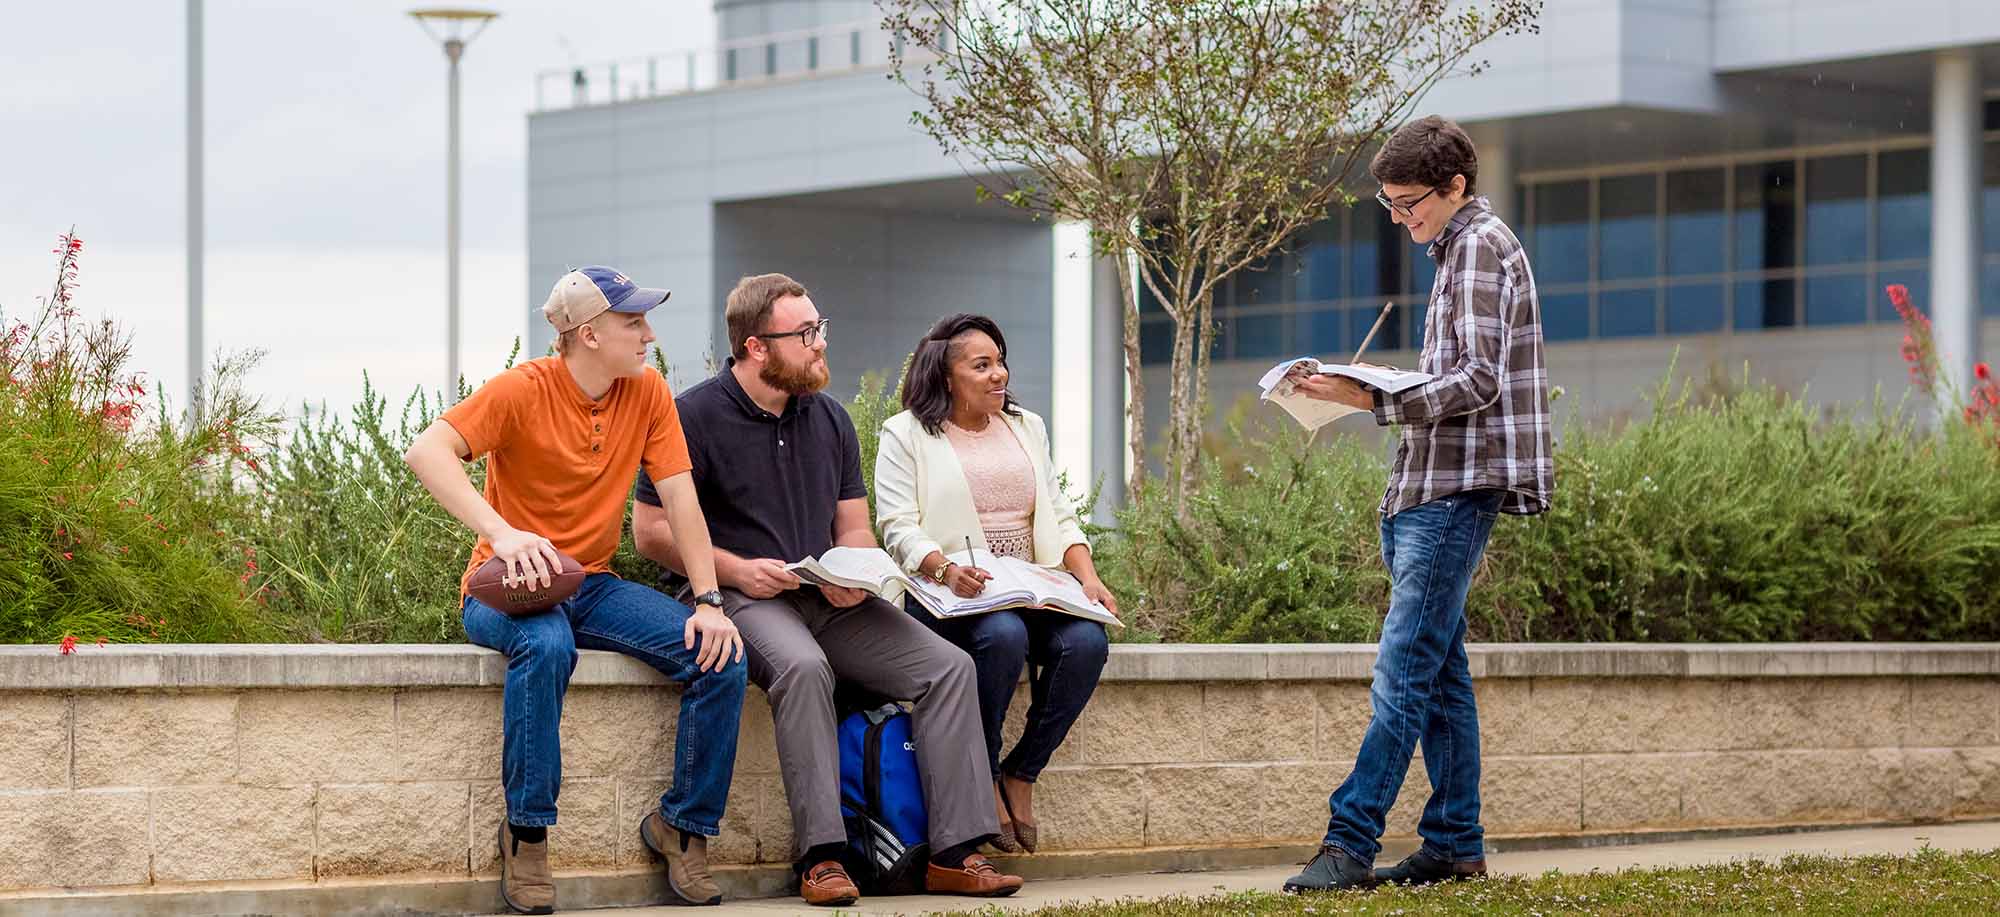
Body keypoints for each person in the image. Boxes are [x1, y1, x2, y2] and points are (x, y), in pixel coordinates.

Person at [630, 273, 1025, 906]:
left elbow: (854, 529)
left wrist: (856, 575)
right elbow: (650, 533)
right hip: (738, 599)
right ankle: (823, 856)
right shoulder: (692, 416)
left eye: (821, 329)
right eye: (806, 333)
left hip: (828, 599)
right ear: (758, 346)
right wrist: (736, 571)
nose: (820, 344)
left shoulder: (832, 418)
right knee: (804, 668)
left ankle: (955, 852)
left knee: (949, 667)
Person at [404, 266, 749, 913]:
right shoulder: (521, 389)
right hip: (506, 592)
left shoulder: (646, 394)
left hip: (591, 583)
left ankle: (684, 824)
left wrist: (710, 602)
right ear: (588, 334)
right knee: (546, 645)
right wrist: (501, 532)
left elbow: (681, 500)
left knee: (723, 655)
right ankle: (528, 836)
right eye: (633, 322)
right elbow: (427, 451)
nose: (648, 334)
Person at [1280, 116, 1554, 893]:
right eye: (1390, 205)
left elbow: (1476, 380)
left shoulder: (1475, 247)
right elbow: (1459, 374)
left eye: (1409, 203)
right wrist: (1362, 389)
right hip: (1432, 487)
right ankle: (1454, 844)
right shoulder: (1459, 249)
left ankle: (1349, 842)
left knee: (1401, 673)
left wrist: (1369, 394)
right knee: (1439, 677)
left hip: (1454, 490)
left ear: (1455, 185)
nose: (1401, 219)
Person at [872, 313, 1116, 854]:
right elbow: (896, 524)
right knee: (1002, 636)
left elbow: (1058, 510)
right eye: (981, 365)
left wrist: (1088, 579)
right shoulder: (905, 433)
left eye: (1000, 361)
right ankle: (978, 779)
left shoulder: (1026, 425)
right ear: (945, 375)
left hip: (1028, 585)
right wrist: (943, 568)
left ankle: (1020, 774)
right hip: (949, 594)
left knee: (1086, 644)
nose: (997, 374)